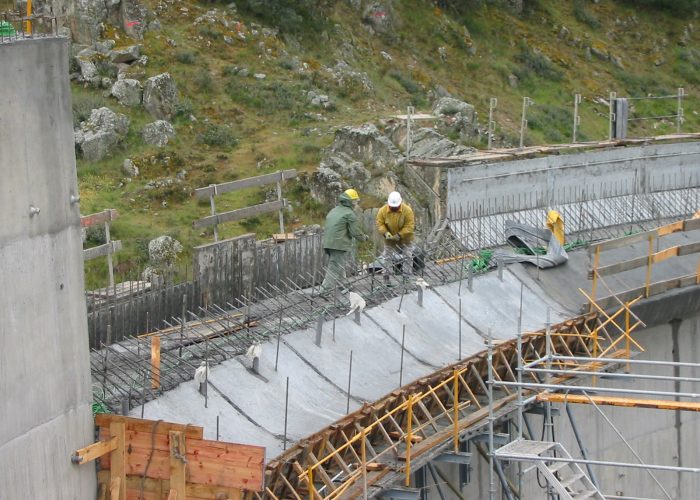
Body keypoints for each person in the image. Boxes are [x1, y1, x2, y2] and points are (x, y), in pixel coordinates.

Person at [319, 188, 365, 296]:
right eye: (355, 201)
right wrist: (364, 238)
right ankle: (324, 291)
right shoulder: (349, 214)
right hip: (339, 244)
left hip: (328, 242)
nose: (356, 203)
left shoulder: (334, 210)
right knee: (334, 266)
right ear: (350, 202)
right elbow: (355, 232)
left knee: (338, 264)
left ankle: (344, 285)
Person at [375, 191, 415, 275]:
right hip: (389, 239)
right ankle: (387, 275)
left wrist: (400, 234)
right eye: (392, 207)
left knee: (408, 256)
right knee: (387, 256)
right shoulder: (382, 211)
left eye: (396, 207)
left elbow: (410, 226)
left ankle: (407, 275)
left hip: (405, 239)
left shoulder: (407, 210)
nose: (394, 208)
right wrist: (385, 233)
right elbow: (380, 223)